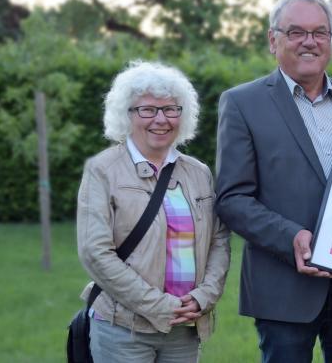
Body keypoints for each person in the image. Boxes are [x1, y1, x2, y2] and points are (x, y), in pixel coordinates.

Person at [214, 0, 332, 363]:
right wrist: (290, 237)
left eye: (319, 32)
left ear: (330, 40)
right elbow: (232, 198)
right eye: (296, 32)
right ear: (273, 39)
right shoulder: (243, 103)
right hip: (283, 287)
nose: (309, 41)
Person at [76, 60, 231, 362]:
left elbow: (219, 241)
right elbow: (96, 252)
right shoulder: (102, 170)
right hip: (123, 329)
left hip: (184, 328)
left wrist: (204, 298)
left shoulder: (198, 172)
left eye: (171, 109)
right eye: (147, 109)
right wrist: (159, 305)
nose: (160, 119)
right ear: (126, 114)